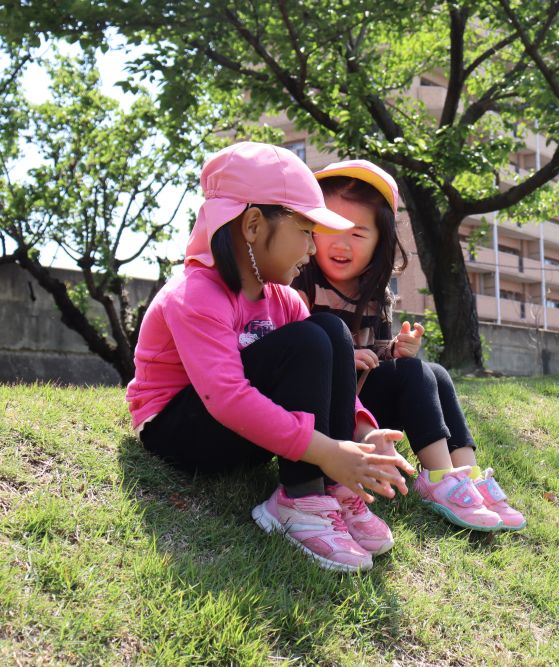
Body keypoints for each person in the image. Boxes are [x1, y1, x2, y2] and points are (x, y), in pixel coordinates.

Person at [126, 142, 415, 573]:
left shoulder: (283, 300)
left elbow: (329, 373)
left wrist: (359, 434)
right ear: (254, 226)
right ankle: (297, 499)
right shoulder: (196, 294)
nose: (313, 249)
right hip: (178, 434)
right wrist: (326, 449)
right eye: (305, 231)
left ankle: (330, 488)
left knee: (329, 331)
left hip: (240, 433)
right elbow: (227, 398)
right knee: (310, 340)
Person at [293, 159, 525, 532]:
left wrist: (397, 352)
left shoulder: (376, 294)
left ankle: (468, 474)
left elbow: (380, 354)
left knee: (435, 372)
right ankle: (437, 479)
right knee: (415, 373)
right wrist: (342, 355)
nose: (341, 242)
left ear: (380, 241)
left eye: (357, 233)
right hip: (328, 409)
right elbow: (295, 349)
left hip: (366, 402)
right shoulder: (300, 281)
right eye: (329, 227)